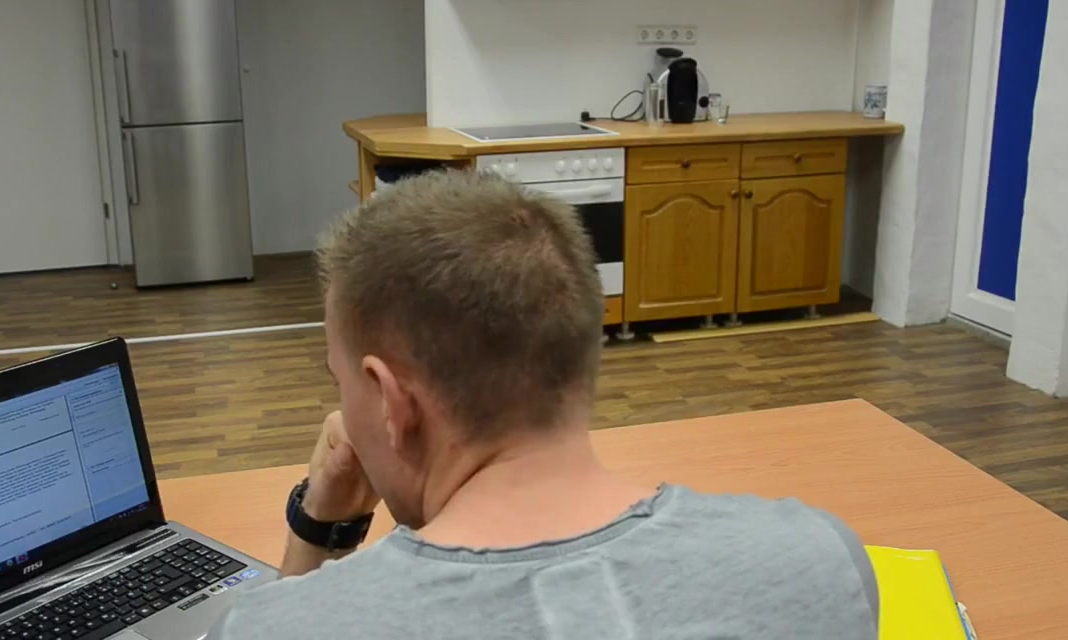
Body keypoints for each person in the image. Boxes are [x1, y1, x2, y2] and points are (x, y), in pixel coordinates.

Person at [211, 170, 878, 639]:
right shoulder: (821, 559)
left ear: (390, 401)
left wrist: (318, 530)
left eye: (339, 382)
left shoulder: (278, 627)